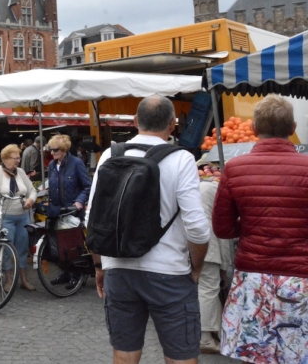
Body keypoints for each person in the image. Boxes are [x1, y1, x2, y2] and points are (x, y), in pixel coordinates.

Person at [86, 95, 210, 364]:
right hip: (170, 273)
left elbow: (92, 221)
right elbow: (198, 229)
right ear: (172, 124)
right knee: (181, 357)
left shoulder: (110, 154)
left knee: (124, 355)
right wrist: (196, 268)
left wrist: (99, 266)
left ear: (134, 121)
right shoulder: (182, 159)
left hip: (118, 270)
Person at [213, 95, 308, 363]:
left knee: (257, 353)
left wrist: (251, 224)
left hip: (253, 278)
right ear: (292, 128)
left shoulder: (234, 169)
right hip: (300, 278)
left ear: (254, 129)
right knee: (298, 351)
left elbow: (223, 229)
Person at [0, 144, 38, 291]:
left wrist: (31, 200)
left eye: (19, 157)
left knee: (22, 249)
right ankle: (9, 280)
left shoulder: (21, 172)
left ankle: (24, 279)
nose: (18, 160)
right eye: (15, 158)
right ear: (5, 159)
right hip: (5, 217)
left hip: (23, 217)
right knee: (6, 249)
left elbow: (32, 191)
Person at [46, 134, 92, 288]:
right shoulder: (52, 165)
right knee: (59, 245)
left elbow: (87, 186)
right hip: (57, 210)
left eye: (55, 150)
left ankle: (76, 274)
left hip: (72, 210)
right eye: (50, 150)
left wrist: (79, 201)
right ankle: (64, 272)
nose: (52, 153)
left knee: (72, 244)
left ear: (64, 149)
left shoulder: (76, 163)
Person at [197, 178, 233, 355]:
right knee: (208, 289)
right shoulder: (217, 191)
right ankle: (205, 338)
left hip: (183, 247)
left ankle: (208, 332)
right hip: (207, 247)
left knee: (197, 289)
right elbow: (222, 232)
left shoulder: (194, 186)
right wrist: (225, 266)